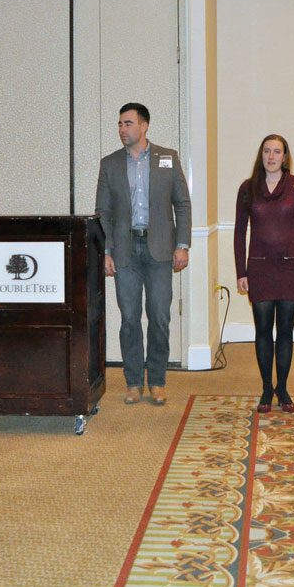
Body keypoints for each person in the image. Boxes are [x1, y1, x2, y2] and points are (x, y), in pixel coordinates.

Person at [95, 103, 192, 407]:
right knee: (129, 318)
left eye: (128, 123)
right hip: (125, 252)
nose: (122, 129)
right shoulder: (109, 164)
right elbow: (103, 212)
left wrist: (182, 244)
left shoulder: (168, 157)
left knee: (160, 317)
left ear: (144, 126)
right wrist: (106, 250)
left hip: (161, 249)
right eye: (120, 124)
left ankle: (158, 381)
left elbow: (183, 205)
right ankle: (134, 381)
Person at [234, 135, 294, 413]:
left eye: (277, 151)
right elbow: (238, 234)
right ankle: (266, 389)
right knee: (263, 330)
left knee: (285, 331)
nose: (271, 156)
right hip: (259, 268)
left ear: (285, 156)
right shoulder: (248, 188)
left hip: (292, 269)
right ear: (261, 155)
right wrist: (240, 271)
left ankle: (282, 388)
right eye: (267, 151)